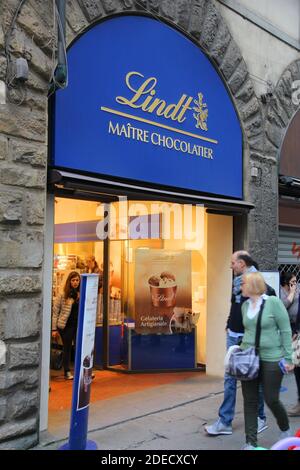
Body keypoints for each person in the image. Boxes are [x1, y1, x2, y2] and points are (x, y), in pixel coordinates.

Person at [205, 251, 267, 436]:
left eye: (233, 263)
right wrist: (228, 323)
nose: (230, 266)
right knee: (229, 378)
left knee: (254, 377)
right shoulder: (237, 280)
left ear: (241, 263)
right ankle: (225, 421)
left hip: (248, 336)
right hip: (233, 334)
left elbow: (263, 308)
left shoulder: (256, 280)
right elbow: (235, 305)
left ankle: (260, 417)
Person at [240, 272, 294, 449]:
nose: (240, 287)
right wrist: (238, 354)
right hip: (248, 359)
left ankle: (284, 427)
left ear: (252, 285)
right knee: (250, 401)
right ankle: (250, 442)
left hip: (272, 359)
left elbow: (285, 330)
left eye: (243, 284)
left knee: (271, 399)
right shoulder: (244, 306)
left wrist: (288, 357)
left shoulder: (273, 303)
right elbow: (248, 333)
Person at [52, 271, 81, 380]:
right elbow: (55, 312)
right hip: (65, 326)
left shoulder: (80, 294)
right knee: (67, 348)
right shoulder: (63, 294)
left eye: (77, 280)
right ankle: (67, 371)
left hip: (77, 325)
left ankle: (80, 370)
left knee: (79, 347)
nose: (75, 282)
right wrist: (54, 329)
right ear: (69, 281)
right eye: (73, 280)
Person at [280, 272, 300, 417]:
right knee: (294, 365)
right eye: (292, 282)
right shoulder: (280, 293)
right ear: (285, 284)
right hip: (287, 333)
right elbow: (283, 308)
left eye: (296, 282)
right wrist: (292, 293)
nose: (295, 284)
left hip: (296, 332)